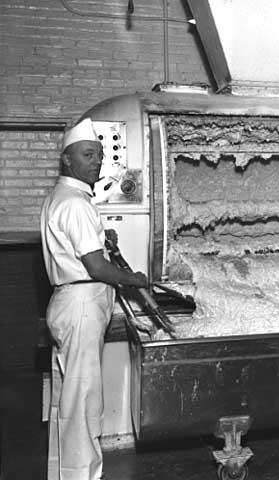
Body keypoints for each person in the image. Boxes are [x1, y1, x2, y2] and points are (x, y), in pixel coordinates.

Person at [40, 118, 148, 480]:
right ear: (67, 159)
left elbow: (82, 248)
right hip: (82, 307)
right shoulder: (77, 204)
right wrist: (133, 280)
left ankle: (62, 474)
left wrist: (103, 237)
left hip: (68, 306)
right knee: (84, 404)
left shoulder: (64, 198)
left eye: (100, 155)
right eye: (87, 155)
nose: (96, 162)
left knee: (66, 403)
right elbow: (97, 268)